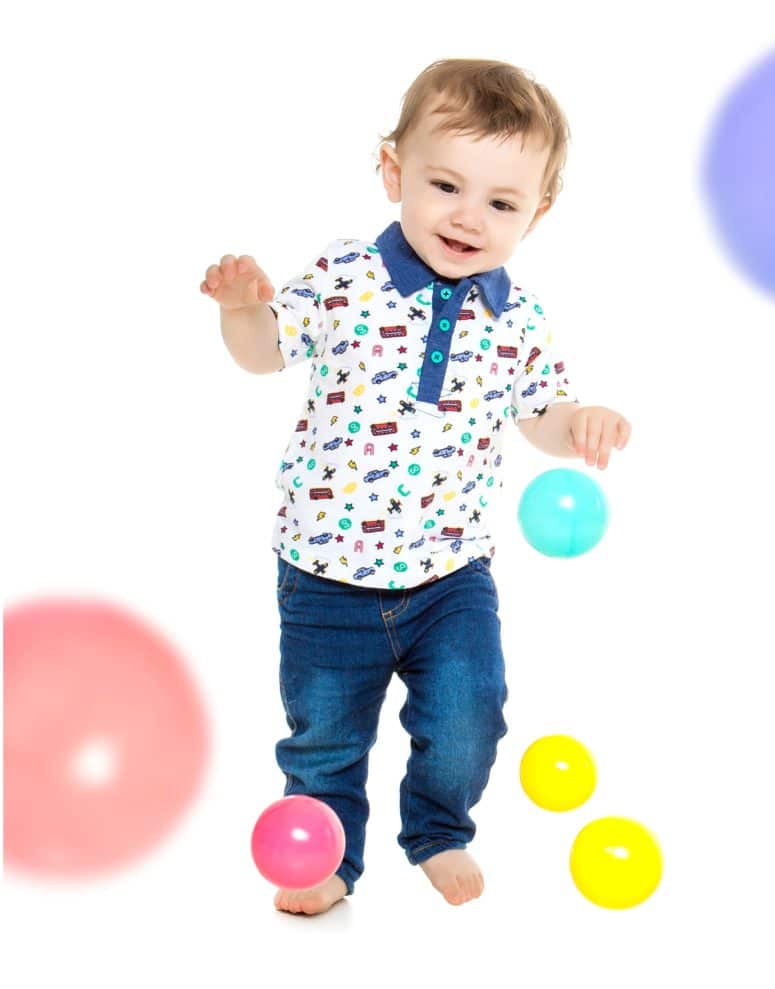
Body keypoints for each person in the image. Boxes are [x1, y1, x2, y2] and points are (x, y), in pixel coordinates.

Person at [200, 58, 630, 914]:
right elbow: (264, 356)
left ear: (536, 214)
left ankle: (437, 829)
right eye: (444, 185)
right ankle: (329, 859)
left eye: (502, 204)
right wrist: (243, 312)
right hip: (326, 572)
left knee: (473, 714)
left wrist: (576, 421)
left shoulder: (518, 318)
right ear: (394, 171)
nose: (470, 218)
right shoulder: (347, 276)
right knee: (325, 735)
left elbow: (539, 410)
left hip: (449, 574)